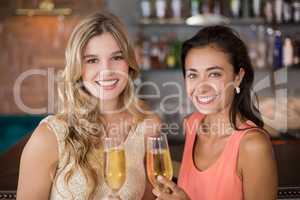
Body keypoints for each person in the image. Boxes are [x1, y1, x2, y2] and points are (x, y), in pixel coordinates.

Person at [17, 11, 159, 200]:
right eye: (92, 60)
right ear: (77, 68)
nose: (107, 70)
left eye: (116, 57)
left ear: (129, 63)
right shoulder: (49, 136)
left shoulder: (147, 126)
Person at [152, 26, 278, 200]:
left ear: (238, 77)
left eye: (214, 74)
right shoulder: (192, 124)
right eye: (192, 75)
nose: (202, 87)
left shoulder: (253, 146)